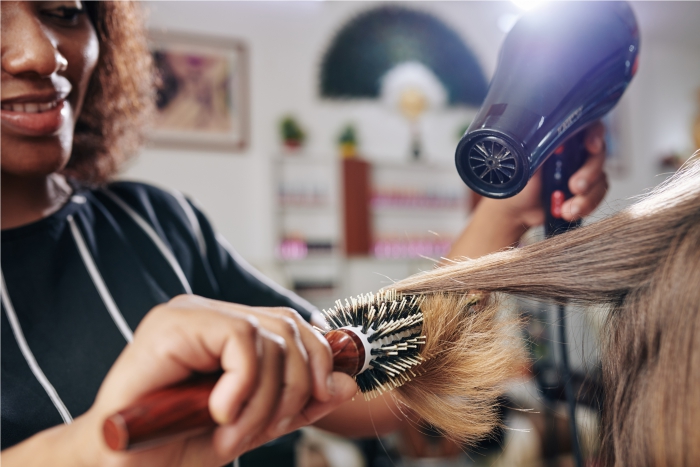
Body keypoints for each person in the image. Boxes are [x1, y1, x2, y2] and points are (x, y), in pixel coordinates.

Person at [0, 1, 608, 465]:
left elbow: (373, 390)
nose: (40, 53)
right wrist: (89, 448)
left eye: (63, 11)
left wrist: (506, 212)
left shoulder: (154, 224)